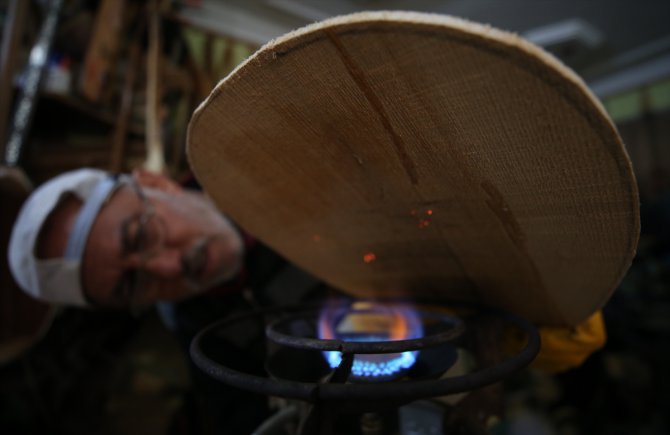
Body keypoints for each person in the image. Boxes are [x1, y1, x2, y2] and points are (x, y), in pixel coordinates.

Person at [7, 167, 325, 434]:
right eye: (132, 284)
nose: (169, 266)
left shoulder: (259, 160)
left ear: (154, 183)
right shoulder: (206, 337)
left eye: (141, 235)